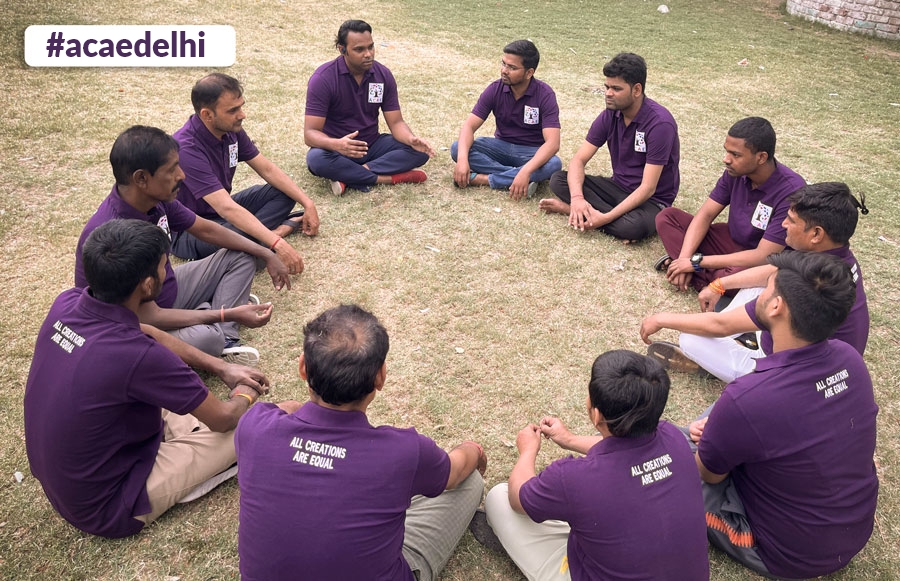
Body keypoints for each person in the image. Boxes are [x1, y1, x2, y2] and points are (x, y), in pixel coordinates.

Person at [26, 219, 278, 538]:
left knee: (176, 401)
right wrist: (244, 394)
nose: (167, 272)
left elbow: (150, 331)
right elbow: (223, 418)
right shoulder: (138, 356)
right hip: (111, 505)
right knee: (248, 428)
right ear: (147, 285)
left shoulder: (66, 303)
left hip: (69, 481)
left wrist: (221, 367)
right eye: (164, 266)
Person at [235, 304, 486, 581]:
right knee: (469, 481)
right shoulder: (404, 452)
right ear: (380, 376)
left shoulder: (255, 426)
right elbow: (456, 470)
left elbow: (285, 409)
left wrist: (296, 410)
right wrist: (473, 450)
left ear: (303, 368)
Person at [690, 250, 878, 579]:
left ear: (776, 306)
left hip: (786, 552)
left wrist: (713, 443)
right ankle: (723, 437)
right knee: (721, 420)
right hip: (853, 531)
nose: (761, 294)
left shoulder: (748, 399)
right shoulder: (849, 359)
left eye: (766, 288)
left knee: (670, 460)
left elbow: (707, 476)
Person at [478, 350, 709, 580]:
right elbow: (623, 454)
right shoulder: (674, 437)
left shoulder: (573, 479)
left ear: (596, 415)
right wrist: (569, 440)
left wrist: (527, 451)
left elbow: (518, 499)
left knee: (499, 497)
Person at [75, 125, 293, 365]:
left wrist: (266, 252)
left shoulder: (155, 200)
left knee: (241, 256)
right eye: (171, 170)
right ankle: (220, 327)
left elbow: (206, 229)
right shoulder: (111, 235)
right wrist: (222, 314)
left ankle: (224, 332)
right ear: (141, 178)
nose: (182, 175)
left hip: (168, 289)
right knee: (208, 339)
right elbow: (142, 316)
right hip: (137, 325)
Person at [640, 182, 869, 382]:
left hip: (794, 377)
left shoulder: (807, 282)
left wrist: (661, 319)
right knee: (761, 282)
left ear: (816, 234)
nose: (783, 225)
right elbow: (770, 270)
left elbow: (722, 326)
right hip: (812, 351)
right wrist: (718, 285)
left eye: (791, 220)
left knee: (691, 339)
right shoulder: (834, 258)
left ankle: (735, 364)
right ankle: (741, 342)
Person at [171, 73, 319, 263]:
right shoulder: (186, 148)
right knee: (235, 236)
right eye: (233, 110)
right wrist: (277, 243)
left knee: (282, 193)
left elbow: (267, 170)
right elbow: (226, 208)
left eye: (241, 106)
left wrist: (308, 203)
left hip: (221, 213)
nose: (242, 115)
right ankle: (275, 234)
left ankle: (256, 242)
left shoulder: (230, 131)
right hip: (193, 230)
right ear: (207, 115)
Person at [540, 52, 680, 242]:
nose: (608, 93)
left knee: (634, 227)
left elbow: (648, 188)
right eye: (606, 87)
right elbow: (579, 160)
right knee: (559, 179)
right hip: (617, 187)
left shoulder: (660, 124)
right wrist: (578, 198)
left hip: (651, 201)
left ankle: (578, 213)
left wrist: (604, 218)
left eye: (616, 88)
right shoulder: (610, 114)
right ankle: (586, 212)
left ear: (637, 90)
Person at [655, 117, 806, 292]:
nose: (726, 159)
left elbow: (763, 256)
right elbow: (705, 215)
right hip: (730, 241)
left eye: (735, 155)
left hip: (759, 258)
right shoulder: (735, 173)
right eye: (727, 151)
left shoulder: (791, 191)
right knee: (667, 217)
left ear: (761, 157)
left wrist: (695, 262)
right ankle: (693, 269)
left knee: (733, 277)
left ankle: (704, 276)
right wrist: (684, 257)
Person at [304, 20, 435, 196]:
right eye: (359, 49)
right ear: (342, 50)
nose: (368, 54)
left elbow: (396, 123)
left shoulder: (382, 75)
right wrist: (337, 144)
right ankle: (386, 178)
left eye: (371, 47)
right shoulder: (323, 79)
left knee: (419, 152)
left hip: (372, 145)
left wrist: (410, 139)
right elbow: (310, 134)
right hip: (338, 149)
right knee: (316, 159)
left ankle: (348, 177)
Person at [451, 40, 562, 200]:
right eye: (503, 64)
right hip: (500, 148)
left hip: (530, 152)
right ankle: (516, 178)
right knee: (457, 148)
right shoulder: (495, 89)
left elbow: (552, 143)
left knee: (554, 164)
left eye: (512, 67)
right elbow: (469, 126)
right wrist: (462, 161)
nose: (504, 70)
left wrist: (525, 170)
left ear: (529, 73)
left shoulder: (545, 94)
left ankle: (483, 179)